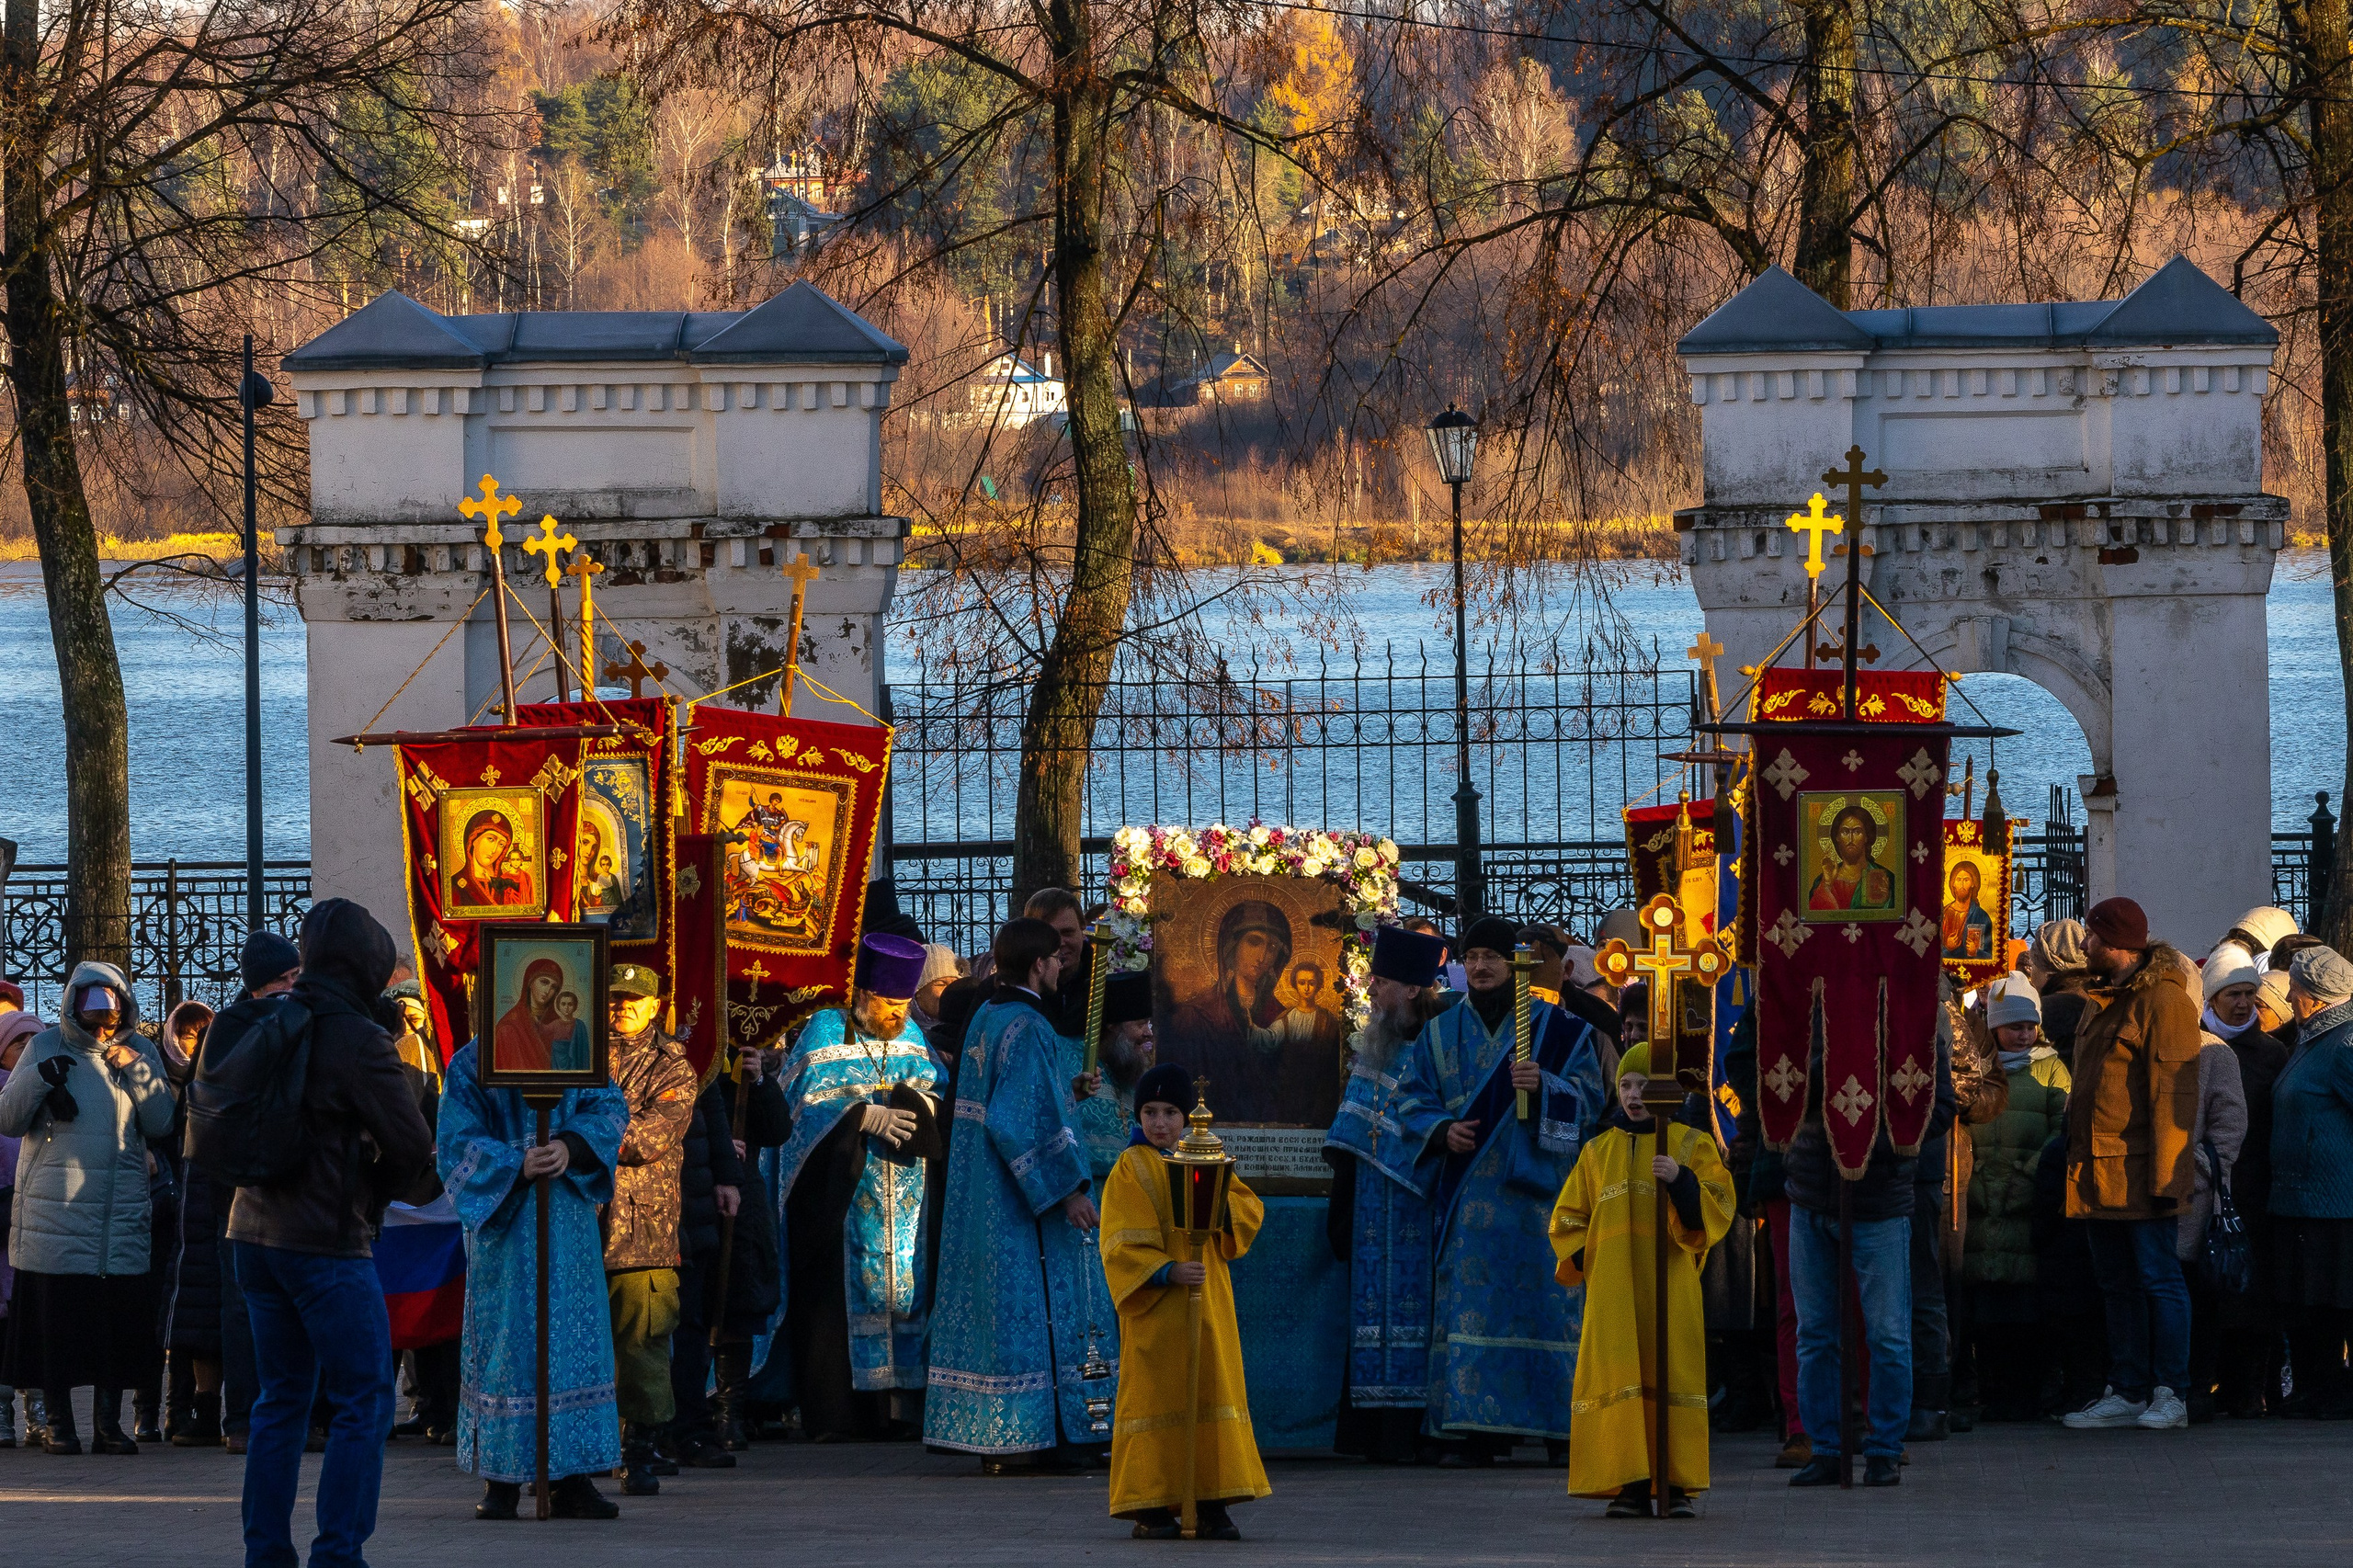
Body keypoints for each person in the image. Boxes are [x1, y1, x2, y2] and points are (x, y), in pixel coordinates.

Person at [1391, 915, 1610, 1461]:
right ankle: (1474, 1429)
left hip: (1540, 1197)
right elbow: (1410, 1101)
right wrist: (1443, 1130)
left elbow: (1591, 1105)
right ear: (1463, 967)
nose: (1482, 966)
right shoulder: (1439, 1032)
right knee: (1474, 1306)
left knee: (1550, 1302)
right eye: (1474, 958)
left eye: (1492, 957)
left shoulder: (1562, 1031)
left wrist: (1548, 1086)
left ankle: (1559, 1425)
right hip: (1470, 1205)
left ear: (1515, 964)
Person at [925, 916, 1119, 1470]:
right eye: (1056, 958)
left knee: (996, 1314)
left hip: (980, 1194)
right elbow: (1016, 1121)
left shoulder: (987, 1015)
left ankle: (996, 1436)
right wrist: (1067, 1192)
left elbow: (1014, 1101)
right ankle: (1039, 1434)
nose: (1062, 965)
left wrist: (1067, 1091)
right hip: (1019, 1204)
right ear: (1038, 963)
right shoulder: (1030, 1027)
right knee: (1034, 1309)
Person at [438, 1007, 631, 1519]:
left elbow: (610, 1107)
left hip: (567, 1222)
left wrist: (571, 1146)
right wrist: (514, 1163)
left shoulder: (577, 1055)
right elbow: (454, 1140)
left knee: (572, 1339)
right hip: (506, 1225)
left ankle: (571, 1479)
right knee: (508, 1344)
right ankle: (501, 1477)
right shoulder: (473, 1062)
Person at [1782, 978, 1958, 1488]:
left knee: (1887, 1334)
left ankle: (1884, 1446)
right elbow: (1773, 1084)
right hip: (1812, 1188)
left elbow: (1939, 1105)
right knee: (1815, 1333)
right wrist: (1825, 1079)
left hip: (1880, 1197)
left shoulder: (1913, 1024)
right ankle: (1827, 1446)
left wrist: (1876, 1137)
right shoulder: (1804, 1014)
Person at [1549, 1041, 1733, 1517]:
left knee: (1670, 1371)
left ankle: (1676, 1485)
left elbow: (1715, 1209)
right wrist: (1595, 1260)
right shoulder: (1596, 1151)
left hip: (1668, 1290)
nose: (1633, 1094)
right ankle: (1628, 1484)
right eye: (1626, 1085)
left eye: (1645, 1085)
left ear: (1667, 1091)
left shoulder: (1693, 1145)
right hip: (1613, 1293)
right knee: (1619, 1377)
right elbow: (1567, 1220)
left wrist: (1682, 1180)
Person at [776, 935, 947, 1442]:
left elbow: (938, 1090)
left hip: (908, 1200)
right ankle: (839, 1417)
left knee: (906, 1295)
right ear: (863, 994)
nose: (898, 1015)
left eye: (902, 1004)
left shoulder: (914, 1034)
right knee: (838, 1300)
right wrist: (860, 1115)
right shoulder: (826, 1029)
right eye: (888, 1004)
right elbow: (798, 1110)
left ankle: (899, 1412)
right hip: (844, 1196)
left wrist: (923, 1111)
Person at [0, 962, 173, 1456]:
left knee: (114, 1327)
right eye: (94, 1016)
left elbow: (161, 1122)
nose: (103, 1027)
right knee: (57, 1327)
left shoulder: (139, 1051)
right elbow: (8, 1120)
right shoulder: (45, 1047)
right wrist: (37, 1079)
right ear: (74, 1006)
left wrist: (136, 1071)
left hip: (115, 1219)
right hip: (55, 1221)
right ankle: (59, 1426)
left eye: (111, 1015)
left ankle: (108, 1427)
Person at [1101, 1065, 1269, 1540]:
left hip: (1207, 1299)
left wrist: (1215, 1205)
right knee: (1157, 1394)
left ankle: (1212, 1499)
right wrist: (1167, 1270)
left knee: (1212, 1387)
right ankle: (1151, 1504)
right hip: (1159, 1308)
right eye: (1150, 1112)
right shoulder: (1131, 1167)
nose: (1159, 1123)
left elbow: (1248, 1209)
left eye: (1170, 1112)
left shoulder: (1208, 1157)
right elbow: (1119, 1241)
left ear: (1184, 1117)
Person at [2061, 896, 2200, 1432]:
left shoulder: (2163, 1002)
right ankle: (2127, 1388)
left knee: (2159, 1281)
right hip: (2099, 1173)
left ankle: (2171, 1392)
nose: (2085, 945)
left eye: (2092, 936)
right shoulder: (2102, 1000)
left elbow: (2173, 1093)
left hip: (2142, 1174)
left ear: (2113, 942)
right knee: (2116, 1285)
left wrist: (2170, 1179)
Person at [1321, 925, 1447, 1463]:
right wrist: (1342, 1213)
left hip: (1423, 1205)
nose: (1371, 989)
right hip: (1371, 1207)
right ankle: (1368, 1433)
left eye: (1382, 981)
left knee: (1421, 1317)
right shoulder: (1377, 1045)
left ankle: (1412, 1433)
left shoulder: (1443, 1044)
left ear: (1413, 990)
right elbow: (1352, 1137)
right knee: (1371, 1312)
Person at [601, 961, 699, 1494]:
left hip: (642, 1228)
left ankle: (640, 1449)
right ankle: (592, 1443)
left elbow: (646, 1139)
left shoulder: (673, 1067)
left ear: (655, 1006)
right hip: (584, 1218)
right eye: (614, 999)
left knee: (641, 1342)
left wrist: (584, 1130)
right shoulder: (578, 1054)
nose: (622, 1008)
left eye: (634, 1000)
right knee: (583, 1338)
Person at [1960, 974, 2070, 1422]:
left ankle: (2024, 1394)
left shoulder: (2052, 1069)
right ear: (1994, 1027)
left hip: (2028, 1201)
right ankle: (1991, 1392)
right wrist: (1979, 1175)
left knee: (2026, 1306)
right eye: (2014, 1026)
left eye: (2030, 1026)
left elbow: (2061, 1129)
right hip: (1980, 1199)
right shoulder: (1979, 1070)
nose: (2024, 1034)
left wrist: (2028, 1175)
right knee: (1985, 1305)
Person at [2199, 947, 2291, 1416]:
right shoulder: (2193, 1047)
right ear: (2211, 997)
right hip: (2204, 1189)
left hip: (2254, 1191)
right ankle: (2207, 1387)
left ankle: (2247, 1392)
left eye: (2250, 995)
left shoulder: (2271, 1054)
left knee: (2252, 1298)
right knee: (2209, 1293)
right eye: (2233, 994)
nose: (2243, 1004)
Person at [2266, 945, 2353, 1417]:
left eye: (2294, 988)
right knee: (2305, 1305)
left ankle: (2333, 1395)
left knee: (2332, 1305)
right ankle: (2312, 1390)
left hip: (2336, 1206)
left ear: (2314, 996)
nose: (2290, 994)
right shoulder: (2312, 1038)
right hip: (2300, 1201)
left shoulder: (2344, 1044)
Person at [2174, 951, 2248, 1425]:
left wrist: (2194, 1165)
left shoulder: (2214, 1053)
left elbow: (2229, 1128)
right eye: (2232, 994)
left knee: (2195, 1297)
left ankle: (2194, 1388)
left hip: (2197, 1200)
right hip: (2151, 1199)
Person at [153, 1000, 229, 1447]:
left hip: (204, 1213)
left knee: (208, 1321)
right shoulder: (184, 1092)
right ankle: (192, 1410)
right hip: (195, 1215)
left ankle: (206, 1412)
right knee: (199, 1323)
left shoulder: (204, 1092)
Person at [0, 980, 40, 1449]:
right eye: (18, 1042)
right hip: (1, 1221)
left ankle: (38, 1407)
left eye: (34, 1039)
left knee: (32, 1321)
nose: (28, 1049)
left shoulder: (51, 1090)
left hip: (37, 1223)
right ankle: (3, 1410)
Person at [1806, 802, 1897, 913]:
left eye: (1857, 831)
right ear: (1837, 837)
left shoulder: (1886, 878)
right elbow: (1813, 917)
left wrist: (1887, 900)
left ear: (1866, 837)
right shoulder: (1823, 880)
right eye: (1845, 831)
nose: (1851, 838)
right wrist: (1826, 886)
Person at [2022, 917, 2095, 1053]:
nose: (2031, 975)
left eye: (2033, 965)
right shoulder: (2098, 994)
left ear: (2046, 969)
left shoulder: (2047, 1008)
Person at [491, 959, 564, 1073]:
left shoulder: (558, 1024)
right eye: (544, 982)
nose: (548, 990)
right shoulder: (509, 1028)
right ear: (530, 981)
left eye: (554, 987)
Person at [1941, 862, 1995, 961]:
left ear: (1973, 883)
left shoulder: (1982, 916)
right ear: (1953, 883)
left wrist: (1976, 952)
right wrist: (1947, 948)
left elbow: (1992, 956)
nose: (1961, 885)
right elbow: (1929, 952)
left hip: (1976, 972)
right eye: (1958, 880)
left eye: (1966, 880)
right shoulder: (1943, 914)